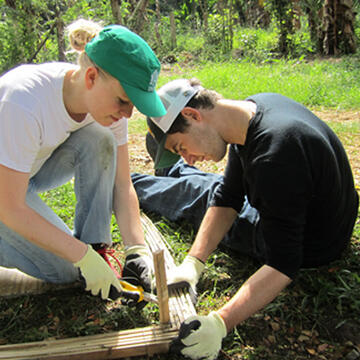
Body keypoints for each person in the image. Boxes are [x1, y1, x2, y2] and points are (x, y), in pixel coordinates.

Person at [131, 78, 359, 359]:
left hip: (313, 243)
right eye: (181, 152)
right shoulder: (254, 109)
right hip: (320, 214)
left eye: (181, 148)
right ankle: (171, 169)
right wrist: (193, 263)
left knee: (198, 198)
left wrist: (220, 322)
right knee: (213, 187)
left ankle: (131, 183)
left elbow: (283, 263)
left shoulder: (274, 156)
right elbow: (228, 197)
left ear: (192, 115)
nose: (191, 157)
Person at [0, 18, 166, 304]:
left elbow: (122, 184)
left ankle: (95, 247)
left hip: (22, 174)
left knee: (99, 139)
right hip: (5, 195)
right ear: (91, 77)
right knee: (66, 268)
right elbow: (9, 206)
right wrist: (78, 257)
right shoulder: (23, 102)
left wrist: (136, 250)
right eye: (123, 101)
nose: (127, 114)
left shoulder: (107, 105)